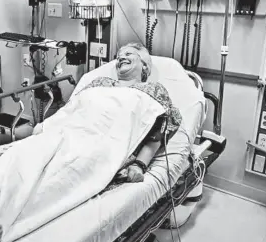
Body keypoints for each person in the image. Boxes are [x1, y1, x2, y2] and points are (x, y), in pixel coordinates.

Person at [33, 42, 182, 185]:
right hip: (68, 136)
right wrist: (48, 126)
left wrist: (139, 165)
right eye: (118, 57)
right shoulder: (99, 83)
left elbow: (156, 135)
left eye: (128, 54)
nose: (121, 58)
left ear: (144, 65)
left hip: (101, 148)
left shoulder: (153, 90)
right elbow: (73, 109)